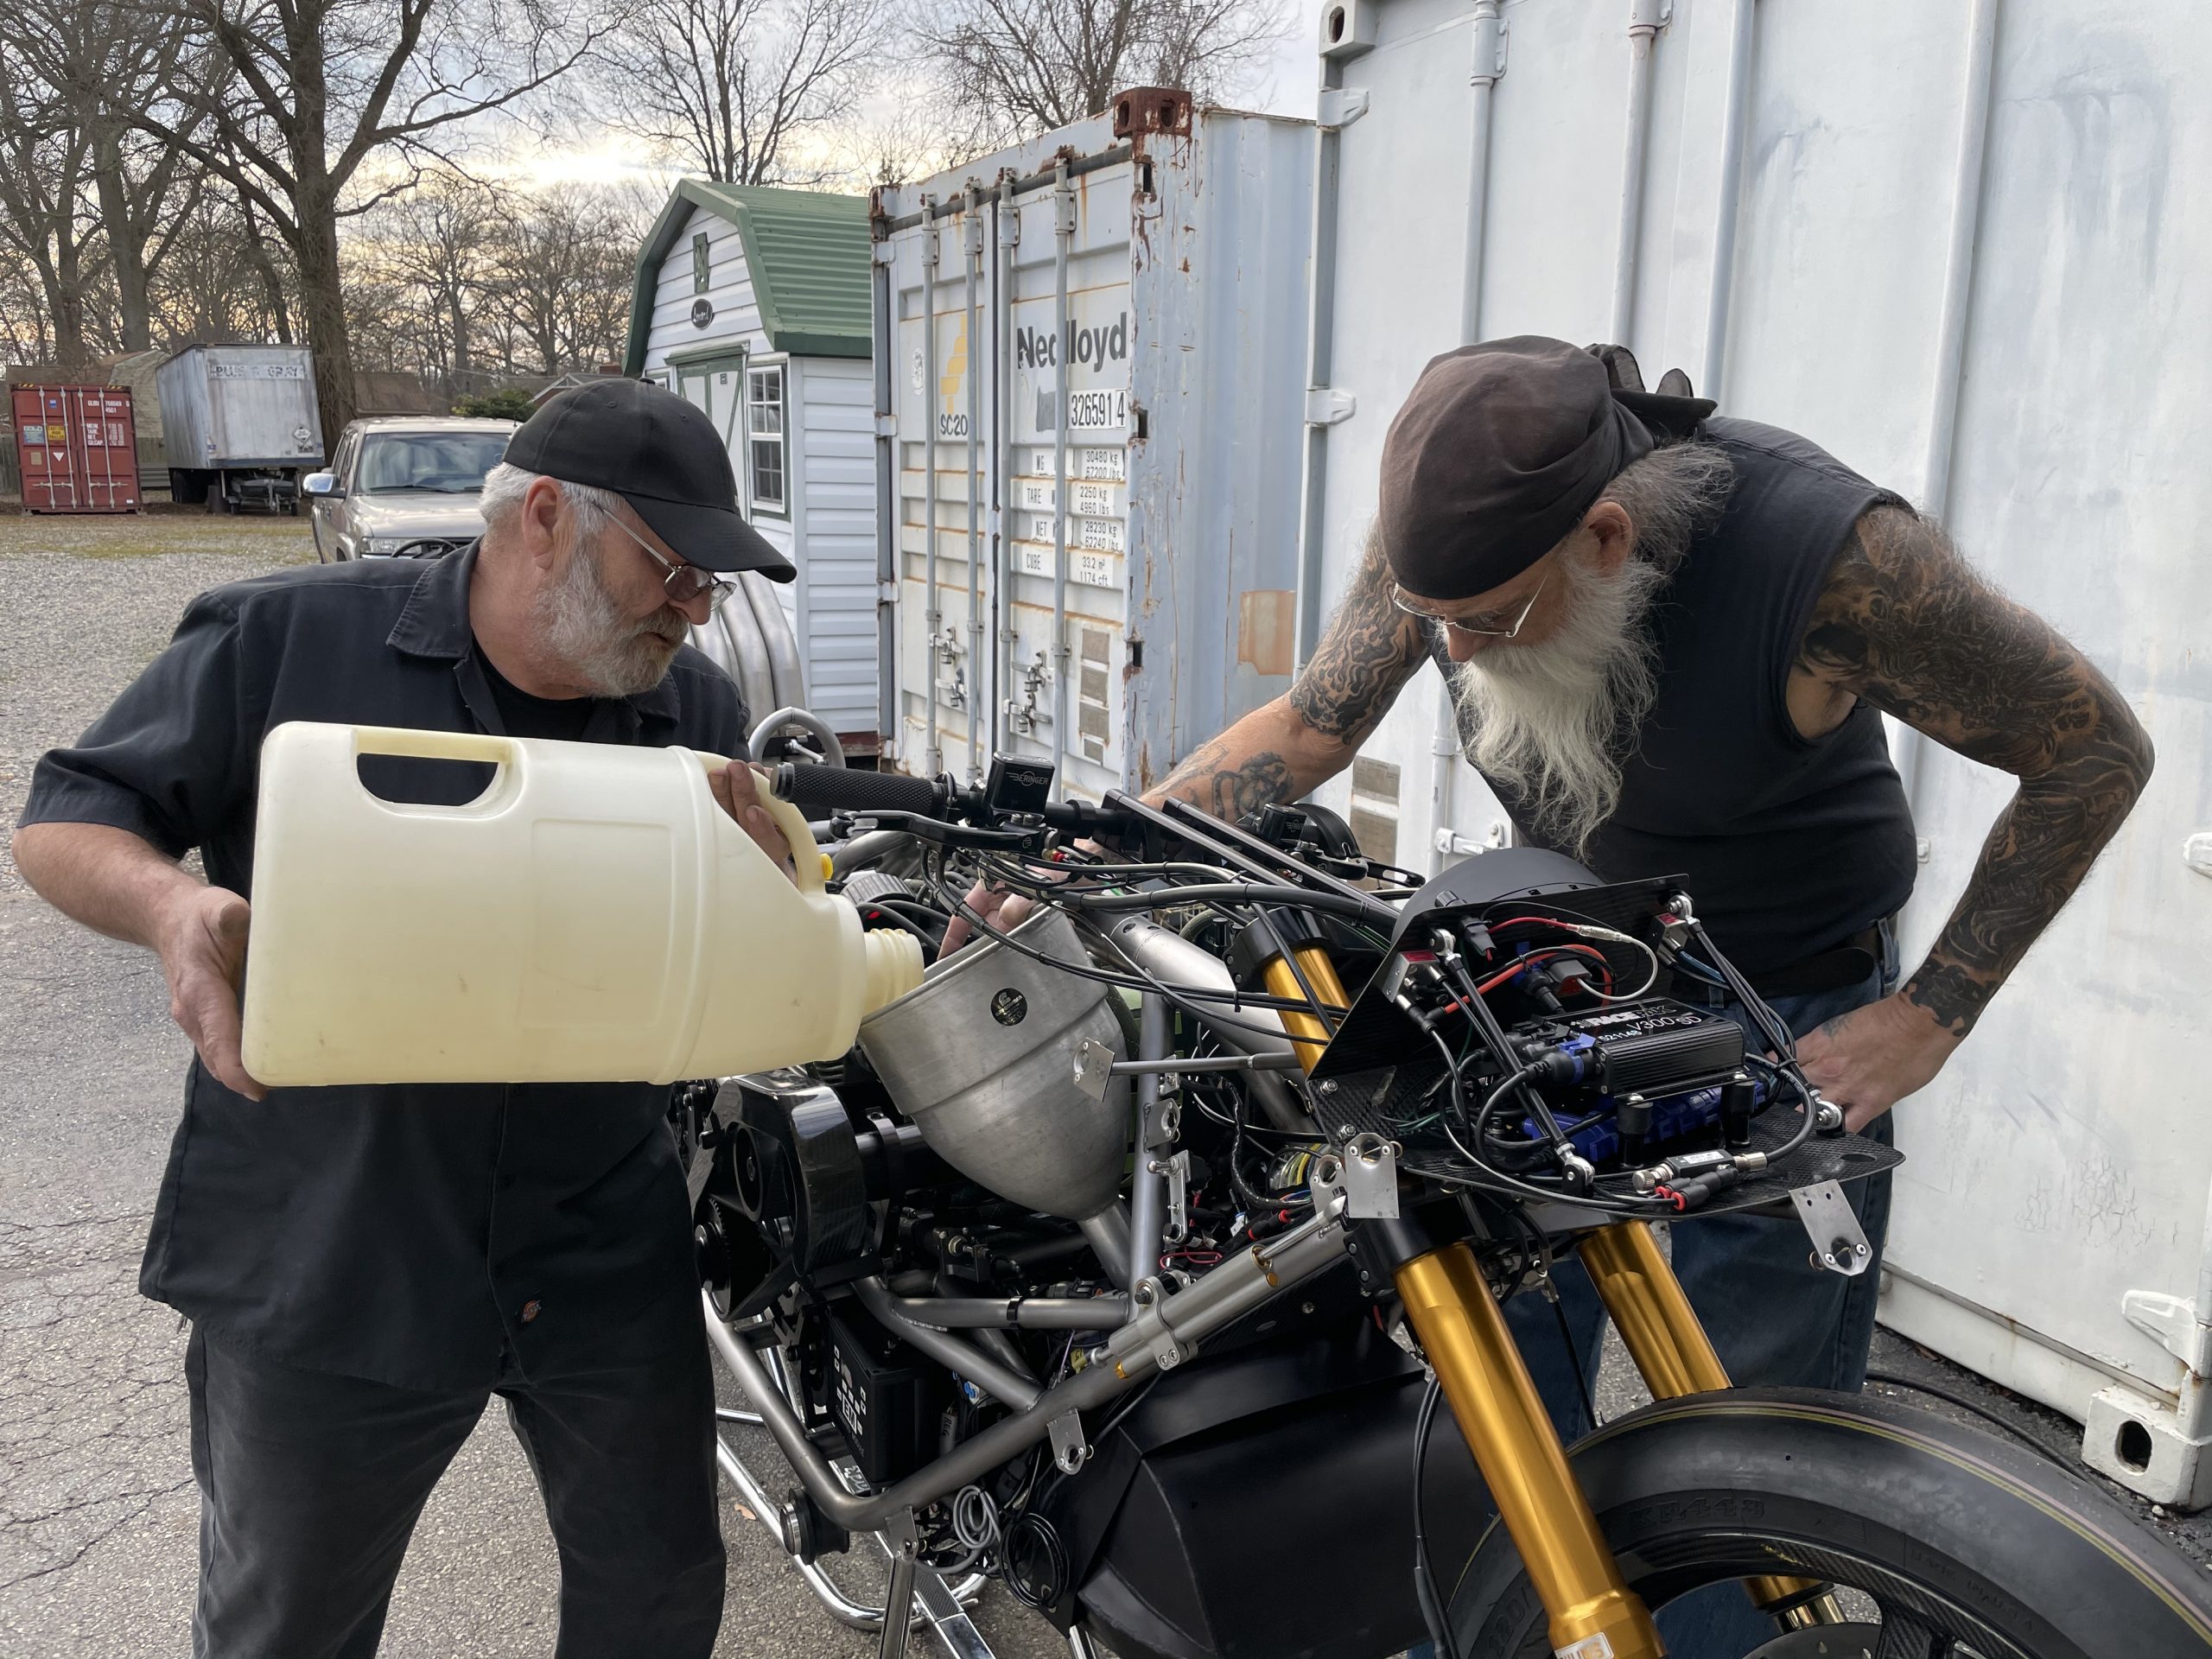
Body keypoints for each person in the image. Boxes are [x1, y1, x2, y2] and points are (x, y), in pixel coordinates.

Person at [1148, 336, 2153, 1652]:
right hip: (1565, 979)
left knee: (1760, 1424)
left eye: (1486, 622)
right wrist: (1111, 843)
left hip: (1790, 1002)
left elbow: (2094, 756)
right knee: (1506, 1363)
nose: (1447, 650)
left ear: (1606, 539)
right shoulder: (1455, 549)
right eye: (1430, 614)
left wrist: (1930, 1020)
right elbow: (1314, 724)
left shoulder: (1832, 559)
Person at [10, 379, 798, 1659]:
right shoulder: (291, 646)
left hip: (595, 1239)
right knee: (288, 1623)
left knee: (656, 1595)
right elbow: (64, 819)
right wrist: (168, 908)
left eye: (714, 586)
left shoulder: (691, 717)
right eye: (672, 573)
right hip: (332, 1243)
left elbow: (739, 953)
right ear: (544, 515)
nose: (695, 610)